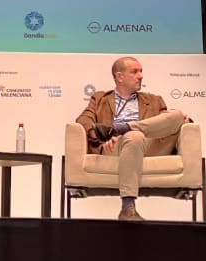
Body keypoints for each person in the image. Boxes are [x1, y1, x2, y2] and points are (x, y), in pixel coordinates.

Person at [74, 57, 191, 221]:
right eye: (135, 72)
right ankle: (128, 207)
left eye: (141, 71)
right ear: (119, 77)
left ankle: (124, 128)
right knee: (134, 136)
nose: (140, 75)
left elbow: (162, 125)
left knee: (177, 115)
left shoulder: (154, 100)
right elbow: (83, 121)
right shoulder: (100, 99)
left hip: (149, 146)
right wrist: (101, 137)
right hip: (116, 147)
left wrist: (184, 121)